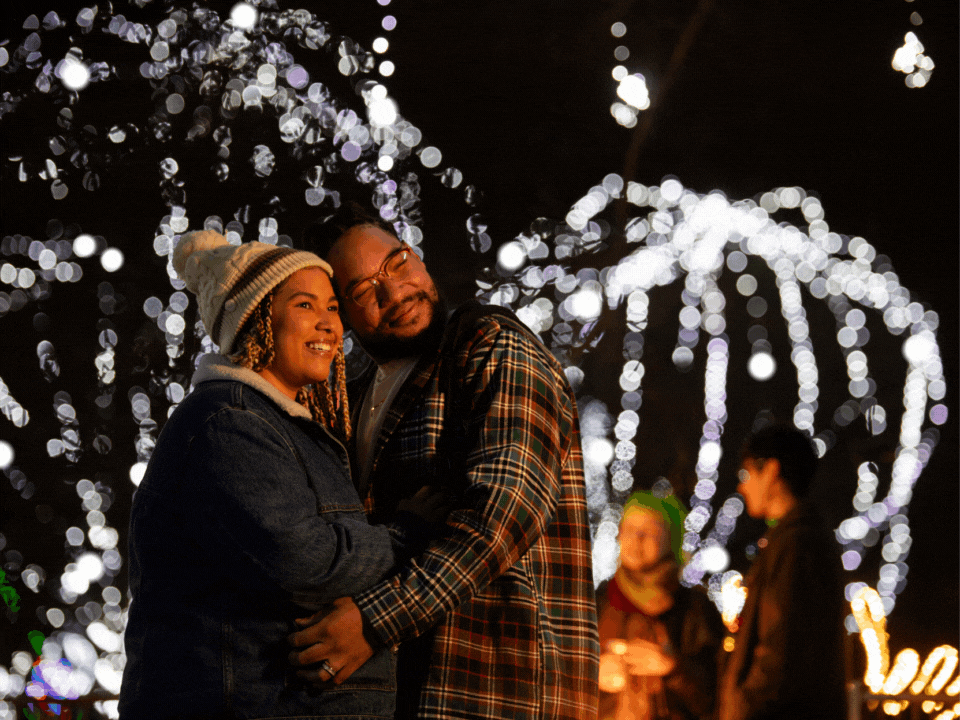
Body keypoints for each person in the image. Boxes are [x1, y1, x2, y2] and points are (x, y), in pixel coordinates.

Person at [289, 204, 600, 719]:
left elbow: (504, 514)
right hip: (398, 692)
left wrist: (373, 622)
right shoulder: (355, 396)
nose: (394, 292)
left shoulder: (490, 346)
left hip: (496, 688)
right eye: (364, 290)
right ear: (341, 312)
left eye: (397, 263)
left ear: (416, 255)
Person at [119, 230, 442, 719]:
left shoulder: (286, 426)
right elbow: (302, 558)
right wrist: (406, 536)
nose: (329, 324)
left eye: (333, 307)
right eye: (305, 305)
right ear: (254, 320)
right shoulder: (229, 421)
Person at [715, 423, 846, 720]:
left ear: (772, 471)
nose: (742, 487)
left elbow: (781, 650)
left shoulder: (797, 544)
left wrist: (742, 705)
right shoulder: (793, 539)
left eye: (747, 474)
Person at [597, 491, 724, 720]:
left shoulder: (694, 608)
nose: (636, 539)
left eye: (650, 531)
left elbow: (714, 696)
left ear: (671, 540)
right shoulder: (596, 601)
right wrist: (590, 675)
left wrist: (672, 668)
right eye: (629, 529)